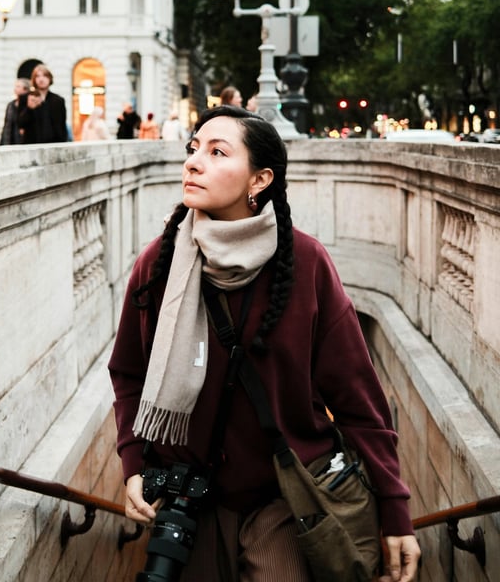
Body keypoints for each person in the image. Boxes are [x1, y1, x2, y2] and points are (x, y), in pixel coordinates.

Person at [108, 106, 421, 582]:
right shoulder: (159, 261)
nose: (193, 162)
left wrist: (395, 507)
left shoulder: (306, 262)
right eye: (193, 149)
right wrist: (134, 463)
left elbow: (357, 396)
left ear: (260, 180)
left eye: (217, 152)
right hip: (188, 496)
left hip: (284, 498)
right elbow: (129, 372)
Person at [18, 64, 68, 144]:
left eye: (44, 76)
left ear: (49, 78)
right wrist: (29, 108)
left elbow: (62, 126)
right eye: (37, 76)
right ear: (34, 79)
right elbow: (20, 124)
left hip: (54, 145)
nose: (41, 79)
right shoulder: (26, 98)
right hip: (32, 145)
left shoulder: (58, 100)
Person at [0, 77, 31, 145]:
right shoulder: (11, 105)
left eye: (18, 86)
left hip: (24, 143)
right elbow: (6, 126)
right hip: (9, 142)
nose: (15, 88)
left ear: (25, 89)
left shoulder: (29, 105)